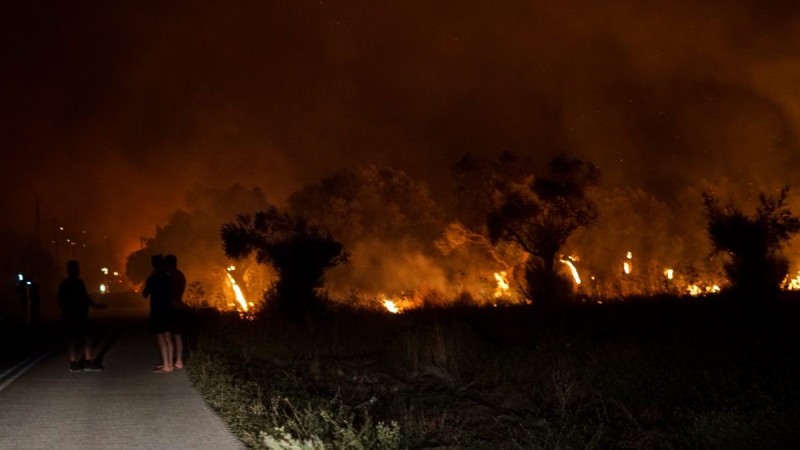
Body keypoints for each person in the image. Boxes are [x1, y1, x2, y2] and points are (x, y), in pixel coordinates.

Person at [58, 260, 107, 372]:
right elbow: (62, 300)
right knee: (78, 339)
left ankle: (77, 362)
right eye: (76, 268)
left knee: (81, 338)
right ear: (71, 270)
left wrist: (96, 305)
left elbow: (85, 298)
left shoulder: (76, 282)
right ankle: (81, 362)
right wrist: (66, 313)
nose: (78, 271)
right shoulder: (69, 284)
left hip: (79, 314)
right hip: (74, 315)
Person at [142, 254, 174, 373]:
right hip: (168, 309)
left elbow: (145, 294)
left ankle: (166, 365)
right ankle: (170, 363)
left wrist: (150, 278)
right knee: (169, 338)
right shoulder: (168, 277)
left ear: (153, 264)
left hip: (157, 309)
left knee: (161, 338)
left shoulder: (152, 279)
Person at [164, 254, 186, 369]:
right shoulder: (180, 275)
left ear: (168, 264)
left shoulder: (170, 276)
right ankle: (179, 361)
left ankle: (169, 362)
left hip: (171, 307)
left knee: (168, 336)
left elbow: (168, 292)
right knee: (178, 336)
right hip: (179, 306)